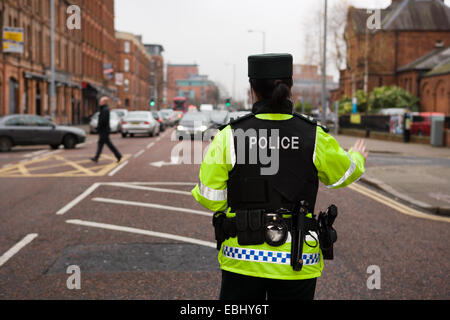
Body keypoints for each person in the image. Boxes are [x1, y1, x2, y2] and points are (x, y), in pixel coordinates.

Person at [191, 53, 369, 300]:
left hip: (242, 258)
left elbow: (210, 197)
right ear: (290, 87)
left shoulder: (230, 135)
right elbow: (342, 175)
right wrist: (357, 157)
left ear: (253, 89)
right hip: (296, 261)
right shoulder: (313, 135)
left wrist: (244, 209)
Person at [91, 96, 122, 163]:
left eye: (101, 101)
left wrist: (98, 127)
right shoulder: (104, 109)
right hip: (103, 130)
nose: (100, 102)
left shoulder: (105, 110)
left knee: (108, 144)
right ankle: (96, 157)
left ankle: (118, 155)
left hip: (104, 131)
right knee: (101, 144)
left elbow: (103, 121)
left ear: (104, 102)